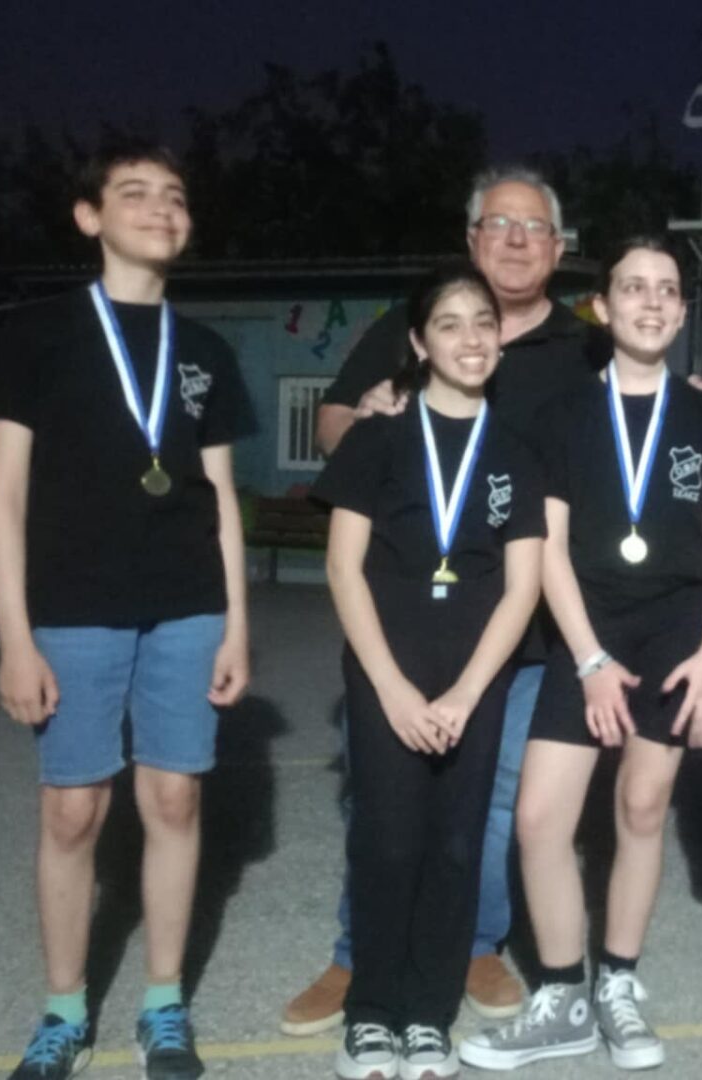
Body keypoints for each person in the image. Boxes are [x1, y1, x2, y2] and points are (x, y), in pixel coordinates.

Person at [284, 166, 607, 1034]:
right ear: (471, 239)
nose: (516, 239)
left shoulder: (586, 344)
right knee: (384, 805)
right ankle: (359, 957)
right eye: (499, 223)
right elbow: (333, 423)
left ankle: (471, 946)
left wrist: (694, 394)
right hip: (408, 624)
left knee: (487, 803)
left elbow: (636, 413)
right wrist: (377, 413)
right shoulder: (415, 319)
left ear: (558, 248)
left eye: (533, 227)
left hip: (521, 622)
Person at [0, 142, 255, 1080]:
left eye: (175, 196)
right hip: (72, 607)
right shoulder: (39, 335)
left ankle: (163, 1004)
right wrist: (14, 640)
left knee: (175, 798)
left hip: (187, 607)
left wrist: (237, 625)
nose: (161, 208)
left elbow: (221, 500)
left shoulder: (205, 350)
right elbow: (3, 498)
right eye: (134, 193)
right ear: (89, 217)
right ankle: (64, 1011)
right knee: (72, 811)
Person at [459, 238, 702, 1071]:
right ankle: (563, 997)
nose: (651, 302)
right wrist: (589, 660)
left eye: (666, 289)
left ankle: (618, 983)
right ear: (602, 306)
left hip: (676, 632)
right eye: (633, 287)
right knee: (538, 820)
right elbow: (548, 547)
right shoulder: (564, 415)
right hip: (588, 630)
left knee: (641, 808)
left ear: (682, 310)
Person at [314, 262, 547, 1080]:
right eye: (449, 323)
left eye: (483, 321)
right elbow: (343, 569)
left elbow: (522, 586)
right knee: (387, 843)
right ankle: (371, 1015)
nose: (470, 337)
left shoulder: (516, 450)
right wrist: (394, 689)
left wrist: (467, 692)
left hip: (473, 680)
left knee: (455, 847)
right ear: (419, 343)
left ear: (500, 338)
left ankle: (426, 1017)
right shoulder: (375, 440)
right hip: (389, 676)